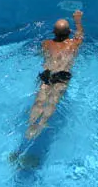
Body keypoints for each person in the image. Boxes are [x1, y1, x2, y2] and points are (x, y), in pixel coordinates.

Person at [25, 10, 84, 140]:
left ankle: (30, 124)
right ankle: (41, 124)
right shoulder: (73, 44)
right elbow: (80, 34)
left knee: (39, 100)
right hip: (62, 75)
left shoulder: (45, 43)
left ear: (53, 32)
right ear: (69, 32)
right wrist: (77, 20)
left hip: (47, 75)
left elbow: (40, 54)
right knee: (52, 101)